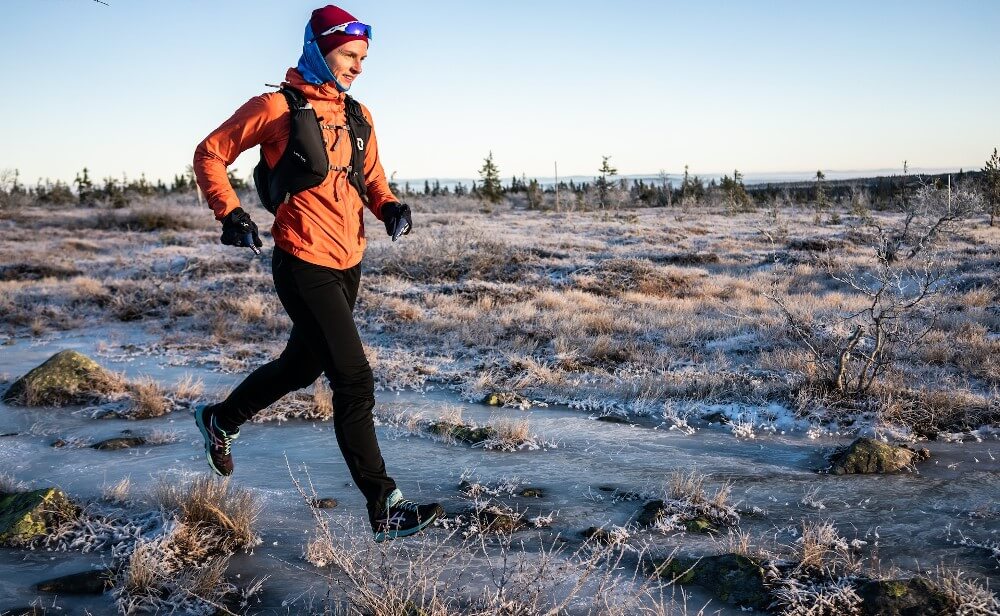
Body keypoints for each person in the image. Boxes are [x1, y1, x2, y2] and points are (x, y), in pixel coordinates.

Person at [191, 4, 441, 542]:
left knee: (301, 366)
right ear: (320, 50)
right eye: (349, 55)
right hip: (302, 259)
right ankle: (385, 504)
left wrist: (390, 206)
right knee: (353, 379)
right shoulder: (277, 106)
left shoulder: (358, 115)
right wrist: (230, 213)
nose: (357, 66)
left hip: (349, 258)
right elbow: (210, 153)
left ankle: (221, 419)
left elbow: (371, 177)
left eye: (362, 58)